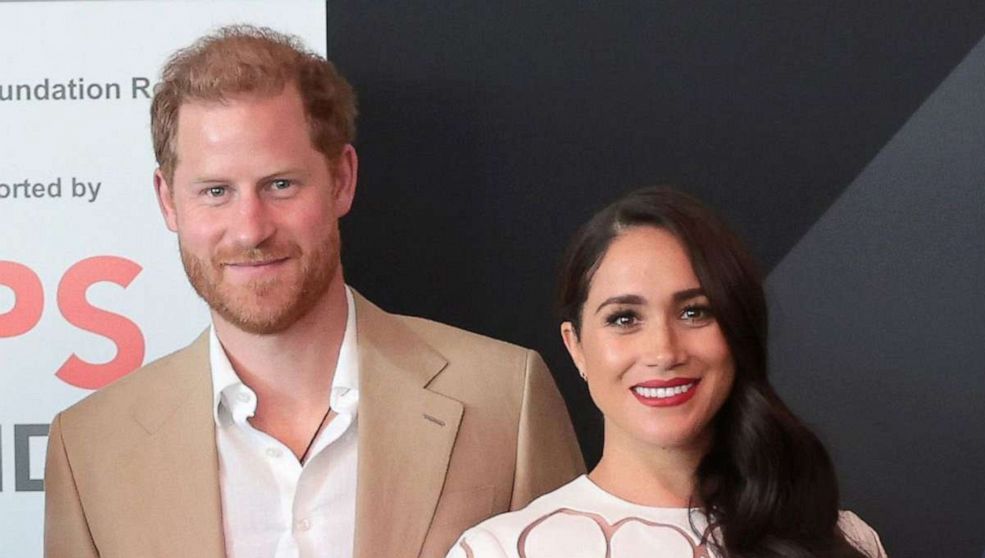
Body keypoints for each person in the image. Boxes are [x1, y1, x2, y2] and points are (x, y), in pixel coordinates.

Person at [43, 25, 584, 558]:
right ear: (168, 201)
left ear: (341, 179)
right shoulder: (90, 448)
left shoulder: (506, 400)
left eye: (280, 184)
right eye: (215, 191)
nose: (251, 228)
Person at [448, 187, 886, 557]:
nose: (663, 350)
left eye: (695, 312)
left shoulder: (842, 540)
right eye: (624, 318)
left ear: (737, 330)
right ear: (576, 346)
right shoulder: (499, 551)